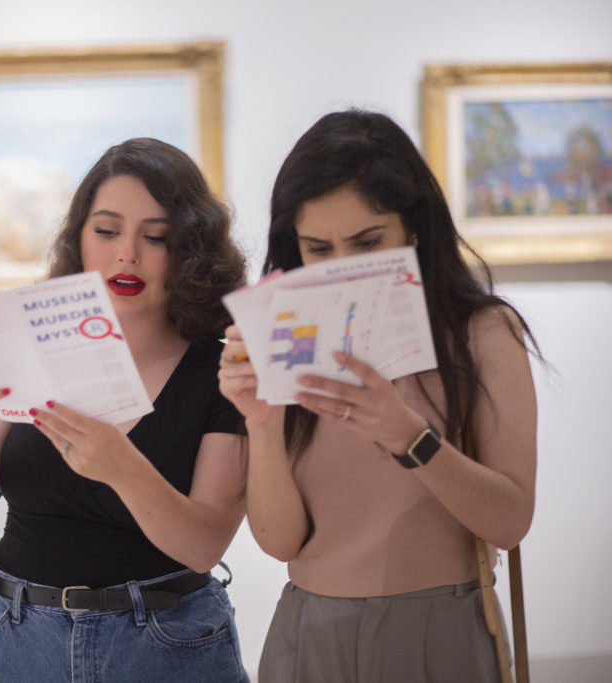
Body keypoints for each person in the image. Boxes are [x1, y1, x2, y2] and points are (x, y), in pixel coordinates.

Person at [218, 110, 539, 682]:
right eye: (319, 248)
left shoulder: (482, 333)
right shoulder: (287, 331)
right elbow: (280, 541)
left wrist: (408, 436)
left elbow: (509, 522)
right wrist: (262, 426)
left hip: (441, 627)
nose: (345, 270)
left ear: (413, 229)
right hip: (309, 630)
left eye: (369, 242)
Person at [0, 137, 250, 682]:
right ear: (79, 239)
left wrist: (122, 467)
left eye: (155, 237)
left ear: (190, 251)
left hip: (166, 642)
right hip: (16, 637)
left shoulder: (221, 374)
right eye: (106, 231)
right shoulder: (30, 346)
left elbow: (203, 545)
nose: (126, 253)